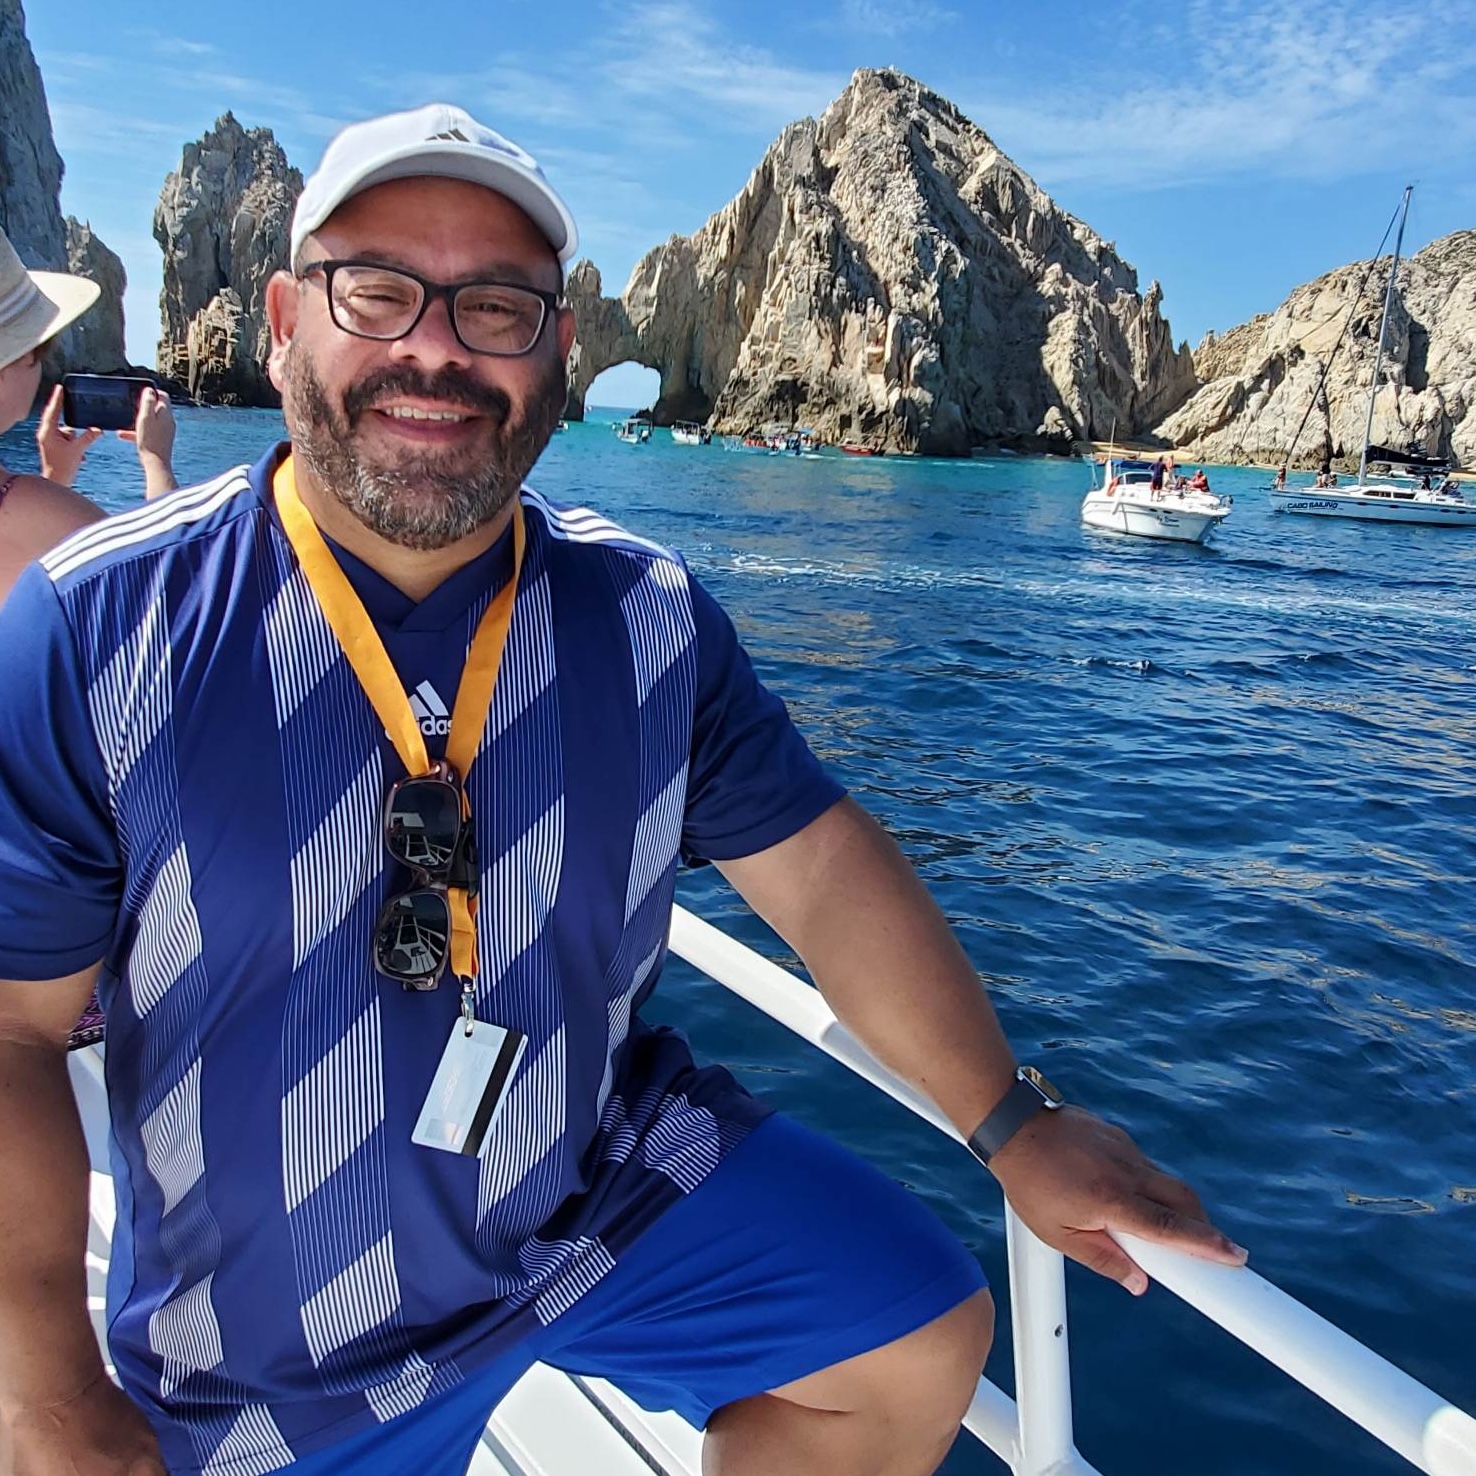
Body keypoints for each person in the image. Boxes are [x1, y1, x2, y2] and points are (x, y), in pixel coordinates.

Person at [0, 105, 1244, 1476]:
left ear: (560, 347)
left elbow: (820, 865)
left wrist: (1012, 1121)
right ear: (287, 314)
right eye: (379, 290)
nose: (437, 347)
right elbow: (11, 1027)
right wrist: (49, 1402)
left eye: (496, 307)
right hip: (275, 1339)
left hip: (592, 1193)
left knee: (917, 1328)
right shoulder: (103, 624)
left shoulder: (645, 616)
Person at [0, 227, 179, 601]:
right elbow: (167, 582)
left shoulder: (29, 510)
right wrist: (156, 461)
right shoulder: (23, 505)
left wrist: (55, 479)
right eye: (37, 350)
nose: (41, 366)